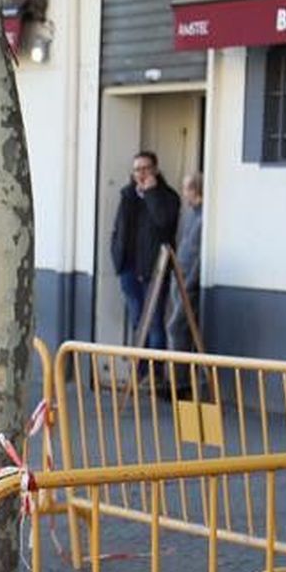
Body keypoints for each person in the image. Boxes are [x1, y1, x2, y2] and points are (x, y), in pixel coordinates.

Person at [108, 151, 180, 349]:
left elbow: (164, 221)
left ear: (155, 170)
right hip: (129, 268)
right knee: (137, 321)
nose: (141, 174)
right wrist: (117, 259)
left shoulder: (169, 197)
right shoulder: (127, 195)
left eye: (146, 168)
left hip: (154, 270)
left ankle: (155, 374)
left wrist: (151, 194)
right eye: (137, 169)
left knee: (155, 323)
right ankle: (139, 373)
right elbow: (118, 228)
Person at [165, 173, 204, 395]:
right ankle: (181, 379)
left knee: (177, 327)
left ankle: (180, 383)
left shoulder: (202, 219)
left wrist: (189, 282)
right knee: (180, 328)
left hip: (188, 281)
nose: (184, 193)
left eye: (186, 188)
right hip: (179, 277)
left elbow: (199, 256)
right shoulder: (190, 216)